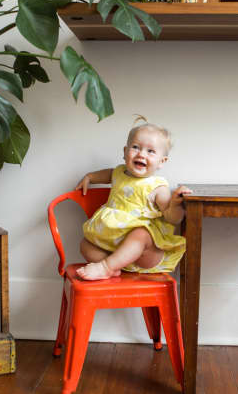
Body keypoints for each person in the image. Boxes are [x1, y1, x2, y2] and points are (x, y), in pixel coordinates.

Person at [74, 118, 192, 280]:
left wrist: (176, 204)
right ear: (124, 152)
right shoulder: (118, 173)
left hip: (144, 254)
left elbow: (171, 217)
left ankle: (106, 267)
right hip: (112, 249)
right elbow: (106, 174)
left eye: (150, 151)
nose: (141, 154)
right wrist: (90, 177)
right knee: (85, 244)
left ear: (161, 161)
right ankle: (112, 266)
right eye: (135, 147)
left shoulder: (157, 186)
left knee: (141, 234)